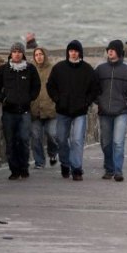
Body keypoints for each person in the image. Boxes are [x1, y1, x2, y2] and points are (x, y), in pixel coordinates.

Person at [46, 40, 99, 181]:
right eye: (71, 50)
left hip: (80, 111)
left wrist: (86, 102)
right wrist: (58, 99)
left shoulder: (87, 69)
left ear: (80, 52)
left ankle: (76, 169)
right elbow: (50, 86)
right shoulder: (59, 68)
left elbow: (94, 89)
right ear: (68, 52)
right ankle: (65, 163)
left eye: (76, 51)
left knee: (77, 140)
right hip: (63, 110)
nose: (73, 53)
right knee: (62, 140)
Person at [0, 42, 41, 180]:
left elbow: (37, 86)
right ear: (10, 54)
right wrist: (4, 99)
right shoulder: (3, 70)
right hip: (9, 113)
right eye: (14, 51)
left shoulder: (30, 69)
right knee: (11, 142)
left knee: (24, 140)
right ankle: (14, 170)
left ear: (23, 53)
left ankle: (24, 168)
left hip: (24, 112)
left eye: (19, 51)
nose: (17, 54)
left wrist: (29, 98)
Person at [96, 39, 127, 182]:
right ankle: (109, 169)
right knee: (106, 142)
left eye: (113, 49)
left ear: (119, 52)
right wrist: (99, 101)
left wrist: (125, 102)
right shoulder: (100, 69)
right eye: (109, 49)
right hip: (104, 111)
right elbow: (92, 87)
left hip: (121, 111)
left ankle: (118, 171)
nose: (110, 51)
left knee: (118, 142)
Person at [28, 47, 57, 169]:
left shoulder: (53, 69)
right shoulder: (30, 70)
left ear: (45, 55)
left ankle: (53, 153)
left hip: (51, 109)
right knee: (35, 136)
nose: (39, 56)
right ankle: (39, 162)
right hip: (35, 110)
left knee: (52, 134)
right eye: (36, 55)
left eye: (41, 54)